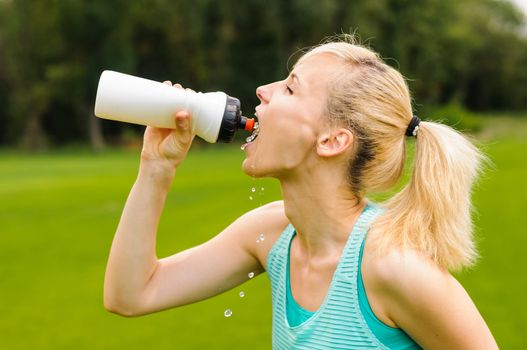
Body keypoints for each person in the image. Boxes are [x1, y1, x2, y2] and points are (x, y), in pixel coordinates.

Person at [103, 36, 498, 349]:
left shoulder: (396, 267)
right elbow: (132, 294)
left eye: (291, 89)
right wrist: (156, 167)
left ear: (331, 140)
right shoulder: (271, 234)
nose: (263, 90)